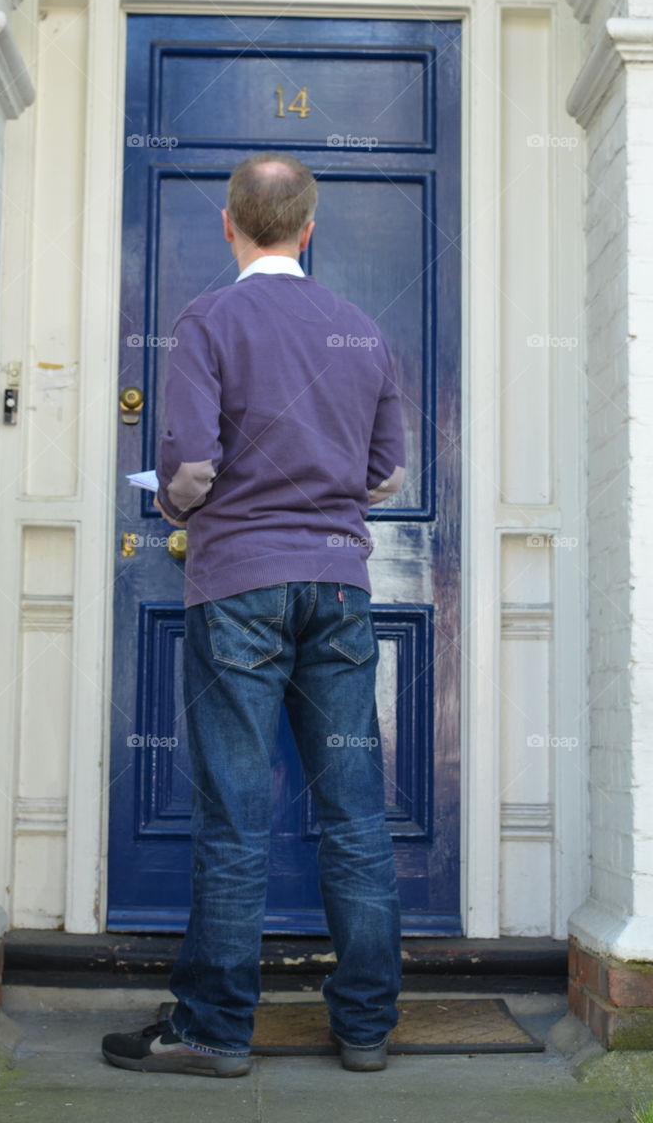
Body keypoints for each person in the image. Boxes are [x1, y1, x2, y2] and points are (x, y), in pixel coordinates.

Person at [102, 152, 406, 1078]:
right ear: (308, 229)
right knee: (353, 811)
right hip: (338, 588)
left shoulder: (209, 318)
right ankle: (363, 1026)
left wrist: (173, 504)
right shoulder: (361, 328)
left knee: (235, 814)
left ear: (228, 225)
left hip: (238, 588)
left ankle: (213, 1030)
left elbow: (190, 470)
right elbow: (386, 474)